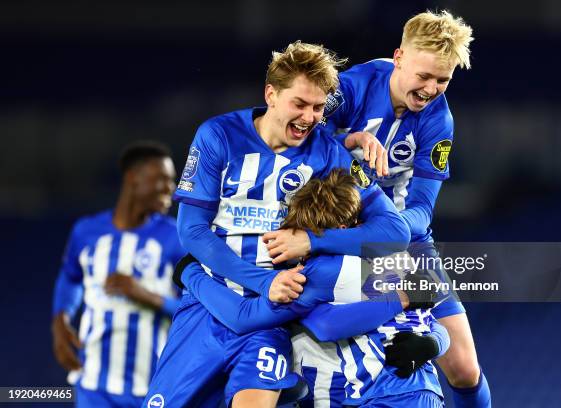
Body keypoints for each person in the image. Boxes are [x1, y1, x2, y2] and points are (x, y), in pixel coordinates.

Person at [143, 41, 411, 408]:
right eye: (299, 104)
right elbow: (191, 230)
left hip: (270, 324)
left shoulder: (329, 154)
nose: (309, 117)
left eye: (318, 107)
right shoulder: (218, 136)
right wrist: (263, 281)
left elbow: (396, 232)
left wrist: (311, 242)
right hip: (205, 310)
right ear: (271, 94)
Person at [266, 10, 491, 408]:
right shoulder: (349, 88)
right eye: (424, 76)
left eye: (443, 80)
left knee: (465, 369)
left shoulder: (439, 121)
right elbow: (292, 135)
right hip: (326, 227)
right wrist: (347, 139)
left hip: (401, 242)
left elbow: (422, 207)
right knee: (280, 339)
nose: (431, 89)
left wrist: (386, 237)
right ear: (399, 56)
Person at [175, 169, 451, 407]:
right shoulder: (399, 260)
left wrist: (190, 274)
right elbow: (431, 309)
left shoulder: (321, 271)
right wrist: (434, 341)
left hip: (380, 395)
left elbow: (248, 317)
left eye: (303, 235)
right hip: (414, 389)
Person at [51, 141, 183, 407]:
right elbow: (71, 277)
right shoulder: (86, 231)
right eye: (162, 179)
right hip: (93, 386)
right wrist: (61, 320)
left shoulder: (175, 238)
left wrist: (146, 296)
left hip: (152, 389)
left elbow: (198, 309)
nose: (172, 188)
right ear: (133, 178)